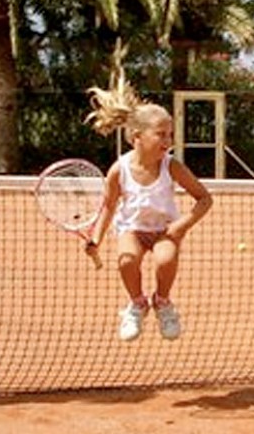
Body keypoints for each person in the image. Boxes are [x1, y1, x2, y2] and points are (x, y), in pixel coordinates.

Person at [85, 75, 213, 342]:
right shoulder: (119, 170)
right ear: (136, 137)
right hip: (132, 229)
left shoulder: (172, 166)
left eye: (170, 134)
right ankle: (137, 304)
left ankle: (163, 303)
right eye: (161, 134)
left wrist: (180, 226)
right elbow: (108, 206)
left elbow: (204, 199)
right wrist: (95, 237)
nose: (168, 140)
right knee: (127, 260)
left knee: (166, 259)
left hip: (165, 230)